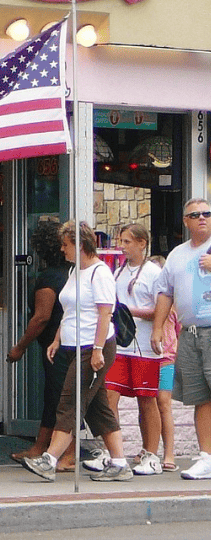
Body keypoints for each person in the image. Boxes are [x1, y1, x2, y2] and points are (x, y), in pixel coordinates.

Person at [22, 221, 133, 483]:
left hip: (91, 346)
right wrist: (57, 339)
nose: (62, 250)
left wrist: (97, 350)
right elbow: (70, 310)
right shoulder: (76, 271)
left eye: (66, 244)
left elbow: (104, 314)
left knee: (70, 401)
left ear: (80, 245)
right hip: (72, 344)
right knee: (97, 408)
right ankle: (119, 462)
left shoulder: (100, 273)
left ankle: (49, 459)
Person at [88, 223, 162, 475]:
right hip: (119, 344)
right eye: (121, 241)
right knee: (110, 396)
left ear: (142, 243)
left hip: (143, 344)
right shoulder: (117, 271)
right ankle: (112, 451)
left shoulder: (153, 272)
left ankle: (150, 454)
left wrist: (131, 313)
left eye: (128, 242)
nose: (122, 246)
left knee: (146, 399)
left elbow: (160, 308)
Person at [8, 218, 75, 470]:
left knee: (61, 398)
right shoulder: (70, 273)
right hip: (65, 343)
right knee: (53, 396)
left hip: (57, 345)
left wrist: (20, 346)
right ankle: (41, 446)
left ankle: (67, 454)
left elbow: (41, 317)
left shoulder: (48, 278)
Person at [152, 197, 211, 480]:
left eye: (207, 214)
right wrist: (157, 327)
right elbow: (165, 291)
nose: (202, 218)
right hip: (189, 332)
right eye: (195, 215)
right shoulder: (177, 254)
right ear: (186, 221)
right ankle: (206, 457)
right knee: (201, 397)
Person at [150, 255, 179, 472]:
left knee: (163, 402)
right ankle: (149, 450)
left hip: (167, 356)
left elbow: (179, 327)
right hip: (147, 355)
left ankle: (169, 452)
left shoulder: (172, 301)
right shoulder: (145, 298)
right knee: (147, 402)